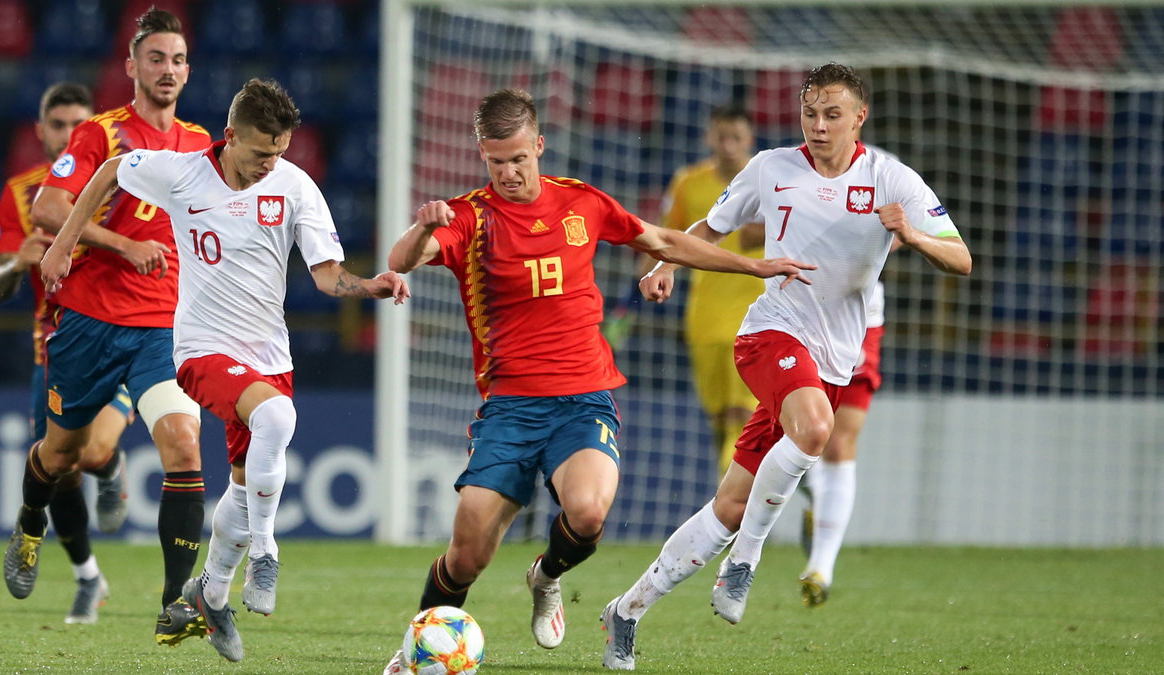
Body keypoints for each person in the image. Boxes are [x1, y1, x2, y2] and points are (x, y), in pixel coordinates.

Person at [382, 88, 816, 675]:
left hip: (582, 399)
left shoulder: (580, 204)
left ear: (539, 145)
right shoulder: (471, 216)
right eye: (496, 161)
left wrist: (755, 265)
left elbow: (662, 240)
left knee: (587, 514)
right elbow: (405, 257)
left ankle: (547, 576)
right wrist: (418, 228)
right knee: (466, 557)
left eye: (518, 158)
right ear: (482, 155)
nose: (509, 172)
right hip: (509, 407)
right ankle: (416, 655)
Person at [600, 63, 971, 671]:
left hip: (834, 358)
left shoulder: (892, 179)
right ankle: (746, 558)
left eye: (832, 115)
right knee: (818, 430)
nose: (819, 126)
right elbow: (708, 228)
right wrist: (667, 262)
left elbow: (960, 259)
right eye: (809, 113)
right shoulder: (772, 168)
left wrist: (915, 236)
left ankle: (627, 610)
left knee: (726, 506)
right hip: (770, 333)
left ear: (859, 118)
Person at [40, 77, 409, 662]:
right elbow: (111, 169)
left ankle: (209, 594)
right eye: (262, 152)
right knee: (278, 418)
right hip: (199, 348)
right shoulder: (182, 172)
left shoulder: (295, 187)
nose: (271, 164)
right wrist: (63, 243)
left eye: (280, 153)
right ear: (230, 135)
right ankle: (266, 553)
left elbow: (325, 275)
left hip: (269, 355)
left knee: (243, 486)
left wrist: (372, 286)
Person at [2, 8, 213, 646]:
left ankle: (176, 602)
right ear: (132, 67)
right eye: (156, 59)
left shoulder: (202, 143)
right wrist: (122, 245)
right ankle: (30, 520)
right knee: (63, 455)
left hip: (162, 328)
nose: (168, 70)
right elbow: (47, 207)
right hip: (90, 321)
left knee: (183, 445)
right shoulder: (101, 135)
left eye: (178, 60)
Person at [0, 82, 135, 625]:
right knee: (60, 467)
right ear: (40, 131)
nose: (68, 134)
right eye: (58, 124)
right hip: (51, 348)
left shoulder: (119, 185)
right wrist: (13, 261)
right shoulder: (20, 194)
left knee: (91, 454)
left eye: (79, 123)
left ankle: (112, 464)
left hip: (114, 332)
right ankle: (88, 578)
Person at [648, 104, 765, 473]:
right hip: (705, 316)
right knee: (719, 420)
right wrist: (649, 276)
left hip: (756, 311)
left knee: (742, 413)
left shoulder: (769, 180)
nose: (728, 145)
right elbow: (667, 238)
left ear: (749, 139)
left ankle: (727, 512)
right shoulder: (688, 182)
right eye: (721, 136)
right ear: (708, 137)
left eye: (736, 137)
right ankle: (803, 487)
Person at [796, 279, 885, 607]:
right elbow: (750, 234)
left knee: (838, 444)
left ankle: (820, 569)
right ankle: (814, 493)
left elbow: (917, 232)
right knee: (796, 434)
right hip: (792, 312)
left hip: (860, 313)